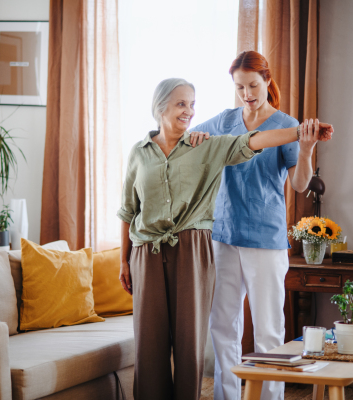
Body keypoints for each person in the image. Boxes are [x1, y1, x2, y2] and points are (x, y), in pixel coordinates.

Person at [117, 77, 332, 400]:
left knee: (213, 336)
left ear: (266, 83)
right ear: (160, 107)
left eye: (192, 104)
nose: (189, 111)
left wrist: (302, 134)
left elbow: (254, 141)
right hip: (169, 246)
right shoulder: (146, 150)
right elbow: (127, 210)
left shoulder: (209, 145)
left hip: (216, 244)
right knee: (174, 335)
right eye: (181, 104)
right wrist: (124, 258)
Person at [189, 50, 320, 400]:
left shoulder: (285, 124)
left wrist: (305, 149)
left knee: (268, 330)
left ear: (267, 81)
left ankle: (270, 397)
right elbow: (187, 141)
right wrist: (195, 142)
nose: (246, 93)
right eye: (239, 87)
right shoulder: (223, 121)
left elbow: (299, 185)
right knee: (222, 326)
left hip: (265, 238)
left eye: (252, 85)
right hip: (224, 235)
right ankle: (226, 396)